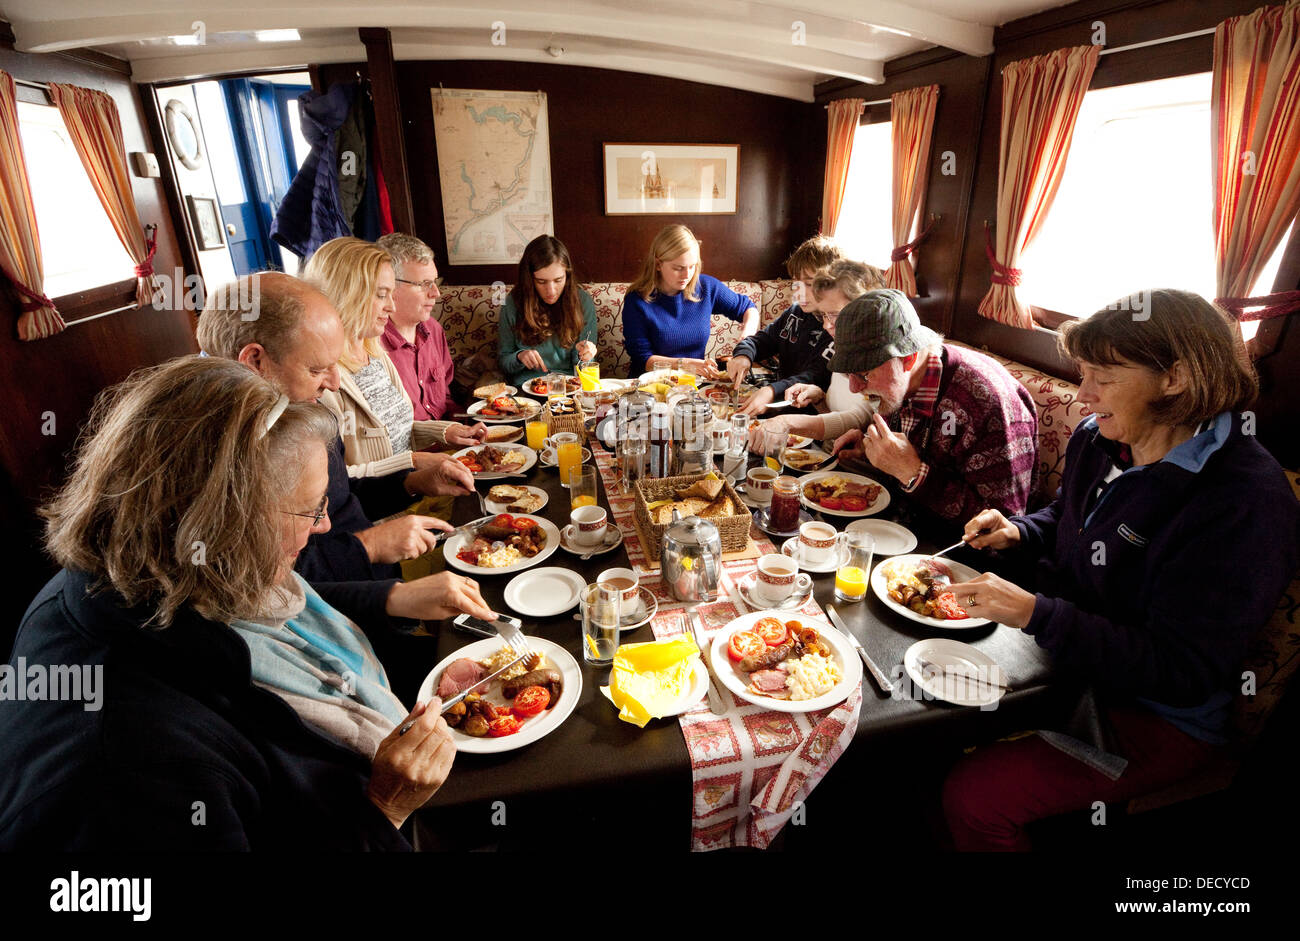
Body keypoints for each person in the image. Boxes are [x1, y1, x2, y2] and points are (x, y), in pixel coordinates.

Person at [0, 357, 497, 850]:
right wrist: (383, 807)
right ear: (223, 524)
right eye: (311, 509)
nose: (324, 525)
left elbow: (286, 611)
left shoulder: (151, 573)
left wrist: (394, 596)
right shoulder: (130, 769)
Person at [939, 290, 1300, 851]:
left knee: (975, 797)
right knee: (924, 713)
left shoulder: (1244, 502)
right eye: (1083, 376)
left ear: (1175, 377)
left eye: (1102, 378)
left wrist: (1039, 613)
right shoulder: (1102, 437)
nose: (1083, 397)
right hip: (1061, 665)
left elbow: (1182, 670)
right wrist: (1020, 530)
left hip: (1152, 718)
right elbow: (1069, 516)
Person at [197, 272, 469, 586]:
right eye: (317, 369)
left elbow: (342, 500)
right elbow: (263, 581)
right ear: (255, 360)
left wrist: (412, 482)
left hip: (378, 586)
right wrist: (370, 546)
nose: (334, 384)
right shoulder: (214, 452)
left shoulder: (302, 405)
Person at [754, 289, 1037, 521]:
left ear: (909, 359)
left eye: (863, 375)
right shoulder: (900, 383)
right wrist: (868, 447)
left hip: (950, 558)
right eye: (848, 375)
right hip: (891, 524)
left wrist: (914, 473)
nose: (855, 387)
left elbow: (1005, 527)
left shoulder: (987, 401)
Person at [305, 237, 486, 479]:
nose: (391, 307)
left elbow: (401, 431)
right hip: (390, 505)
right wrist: (413, 461)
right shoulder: (322, 379)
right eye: (381, 295)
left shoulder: (374, 353)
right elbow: (332, 484)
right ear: (347, 295)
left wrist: (446, 432)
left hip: (413, 488)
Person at [621, 223, 759, 377]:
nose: (687, 275)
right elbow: (643, 360)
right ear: (658, 264)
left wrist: (747, 338)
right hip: (649, 387)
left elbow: (749, 308)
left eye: (692, 266)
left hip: (692, 387)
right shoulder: (636, 300)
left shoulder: (706, 287)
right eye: (678, 268)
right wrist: (685, 364)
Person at [726, 236, 842, 416]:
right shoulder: (795, 313)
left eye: (809, 284)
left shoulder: (836, 327)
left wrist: (771, 391)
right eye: (796, 282)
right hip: (778, 406)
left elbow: (815, 376)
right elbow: (761, 340)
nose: (800, 291)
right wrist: (744, 355)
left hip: (809, 417)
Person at [376, 232, 459, 422]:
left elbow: (445, 400)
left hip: (449, 442)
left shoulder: (434, 329)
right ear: (389, 286)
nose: (436, 293)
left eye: (435, 282)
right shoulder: (372, 345)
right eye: (425, 284)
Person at [497, 235, 598, 384]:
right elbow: (503, 362)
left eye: (558, 280)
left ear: (567, 276)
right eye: (541, 281)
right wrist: (519, 357)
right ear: (529, 280)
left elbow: (585, 370)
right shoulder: (512, 303)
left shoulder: (582, 301)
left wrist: (586, 355)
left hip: (570, 386)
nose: (551, 291)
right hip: (527, 388)